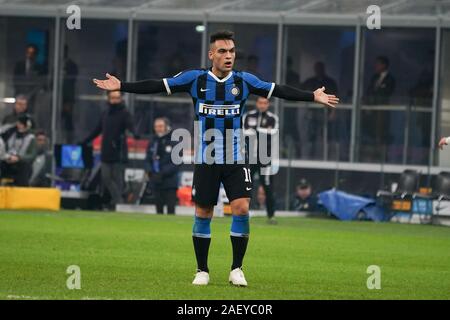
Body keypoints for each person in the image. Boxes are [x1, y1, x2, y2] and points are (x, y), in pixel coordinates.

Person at [92, 30, 339, 287]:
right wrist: (122, 85)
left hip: (235, 159)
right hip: (206, 159)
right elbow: (157, 84)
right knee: (204, 212)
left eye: (232, 51)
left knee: (241, 208)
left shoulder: (245, 81)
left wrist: (312, 96)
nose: (229, 56)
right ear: (212, 55)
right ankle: (202, 270)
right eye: (222, 51)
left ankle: (236, 269)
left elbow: (279, 91)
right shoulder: (195, 79)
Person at [81, 90, 137, 210]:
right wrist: (86, 140)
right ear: (108, 98)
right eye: (112, 98)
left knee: (117, 180)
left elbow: (130, 126)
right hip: (106, 152)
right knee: (106, 178)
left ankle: (117, 203)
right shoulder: (105, 113)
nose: (114, 100)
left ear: (121, 98)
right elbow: (97, 130)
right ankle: (119, 202)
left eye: (117, 98)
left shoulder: (125, 113)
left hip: (119, 152)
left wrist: (135, 133)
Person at [243, 96, 278, 224]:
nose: (262, 105)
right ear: (257, 103)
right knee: (247, 186)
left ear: (268, 104)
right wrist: (261, 131)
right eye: (260, 102)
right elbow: (244, 132)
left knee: (268, 187)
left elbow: (272, 132)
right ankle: (245, 212)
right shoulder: (248, 116)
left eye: (265, 103)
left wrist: (256, 131)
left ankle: (271, 216)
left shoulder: (272, 118)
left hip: (265, 158)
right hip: (250, 157)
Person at [146, 117, 179, 214]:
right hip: (156, 181)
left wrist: (162, 172)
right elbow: (147, 159)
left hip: (170, 182)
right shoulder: (153, 141)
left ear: (167, 127)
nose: (158, 129)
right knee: (158, 210)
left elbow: (177, 162)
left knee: (170, 210)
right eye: (156, 126)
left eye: (160, 126)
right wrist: (150, 171)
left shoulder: (174, 142)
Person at [0, 114, 37, 186]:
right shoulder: (10, 134)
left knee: (24, 166)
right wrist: (7, 157)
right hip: (7, 160)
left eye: (21, 124)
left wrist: (19, 158)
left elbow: (32, 155)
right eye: (18, 123)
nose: (19, 125)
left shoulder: (31, 138)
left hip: (21, 164)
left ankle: (22, 188)